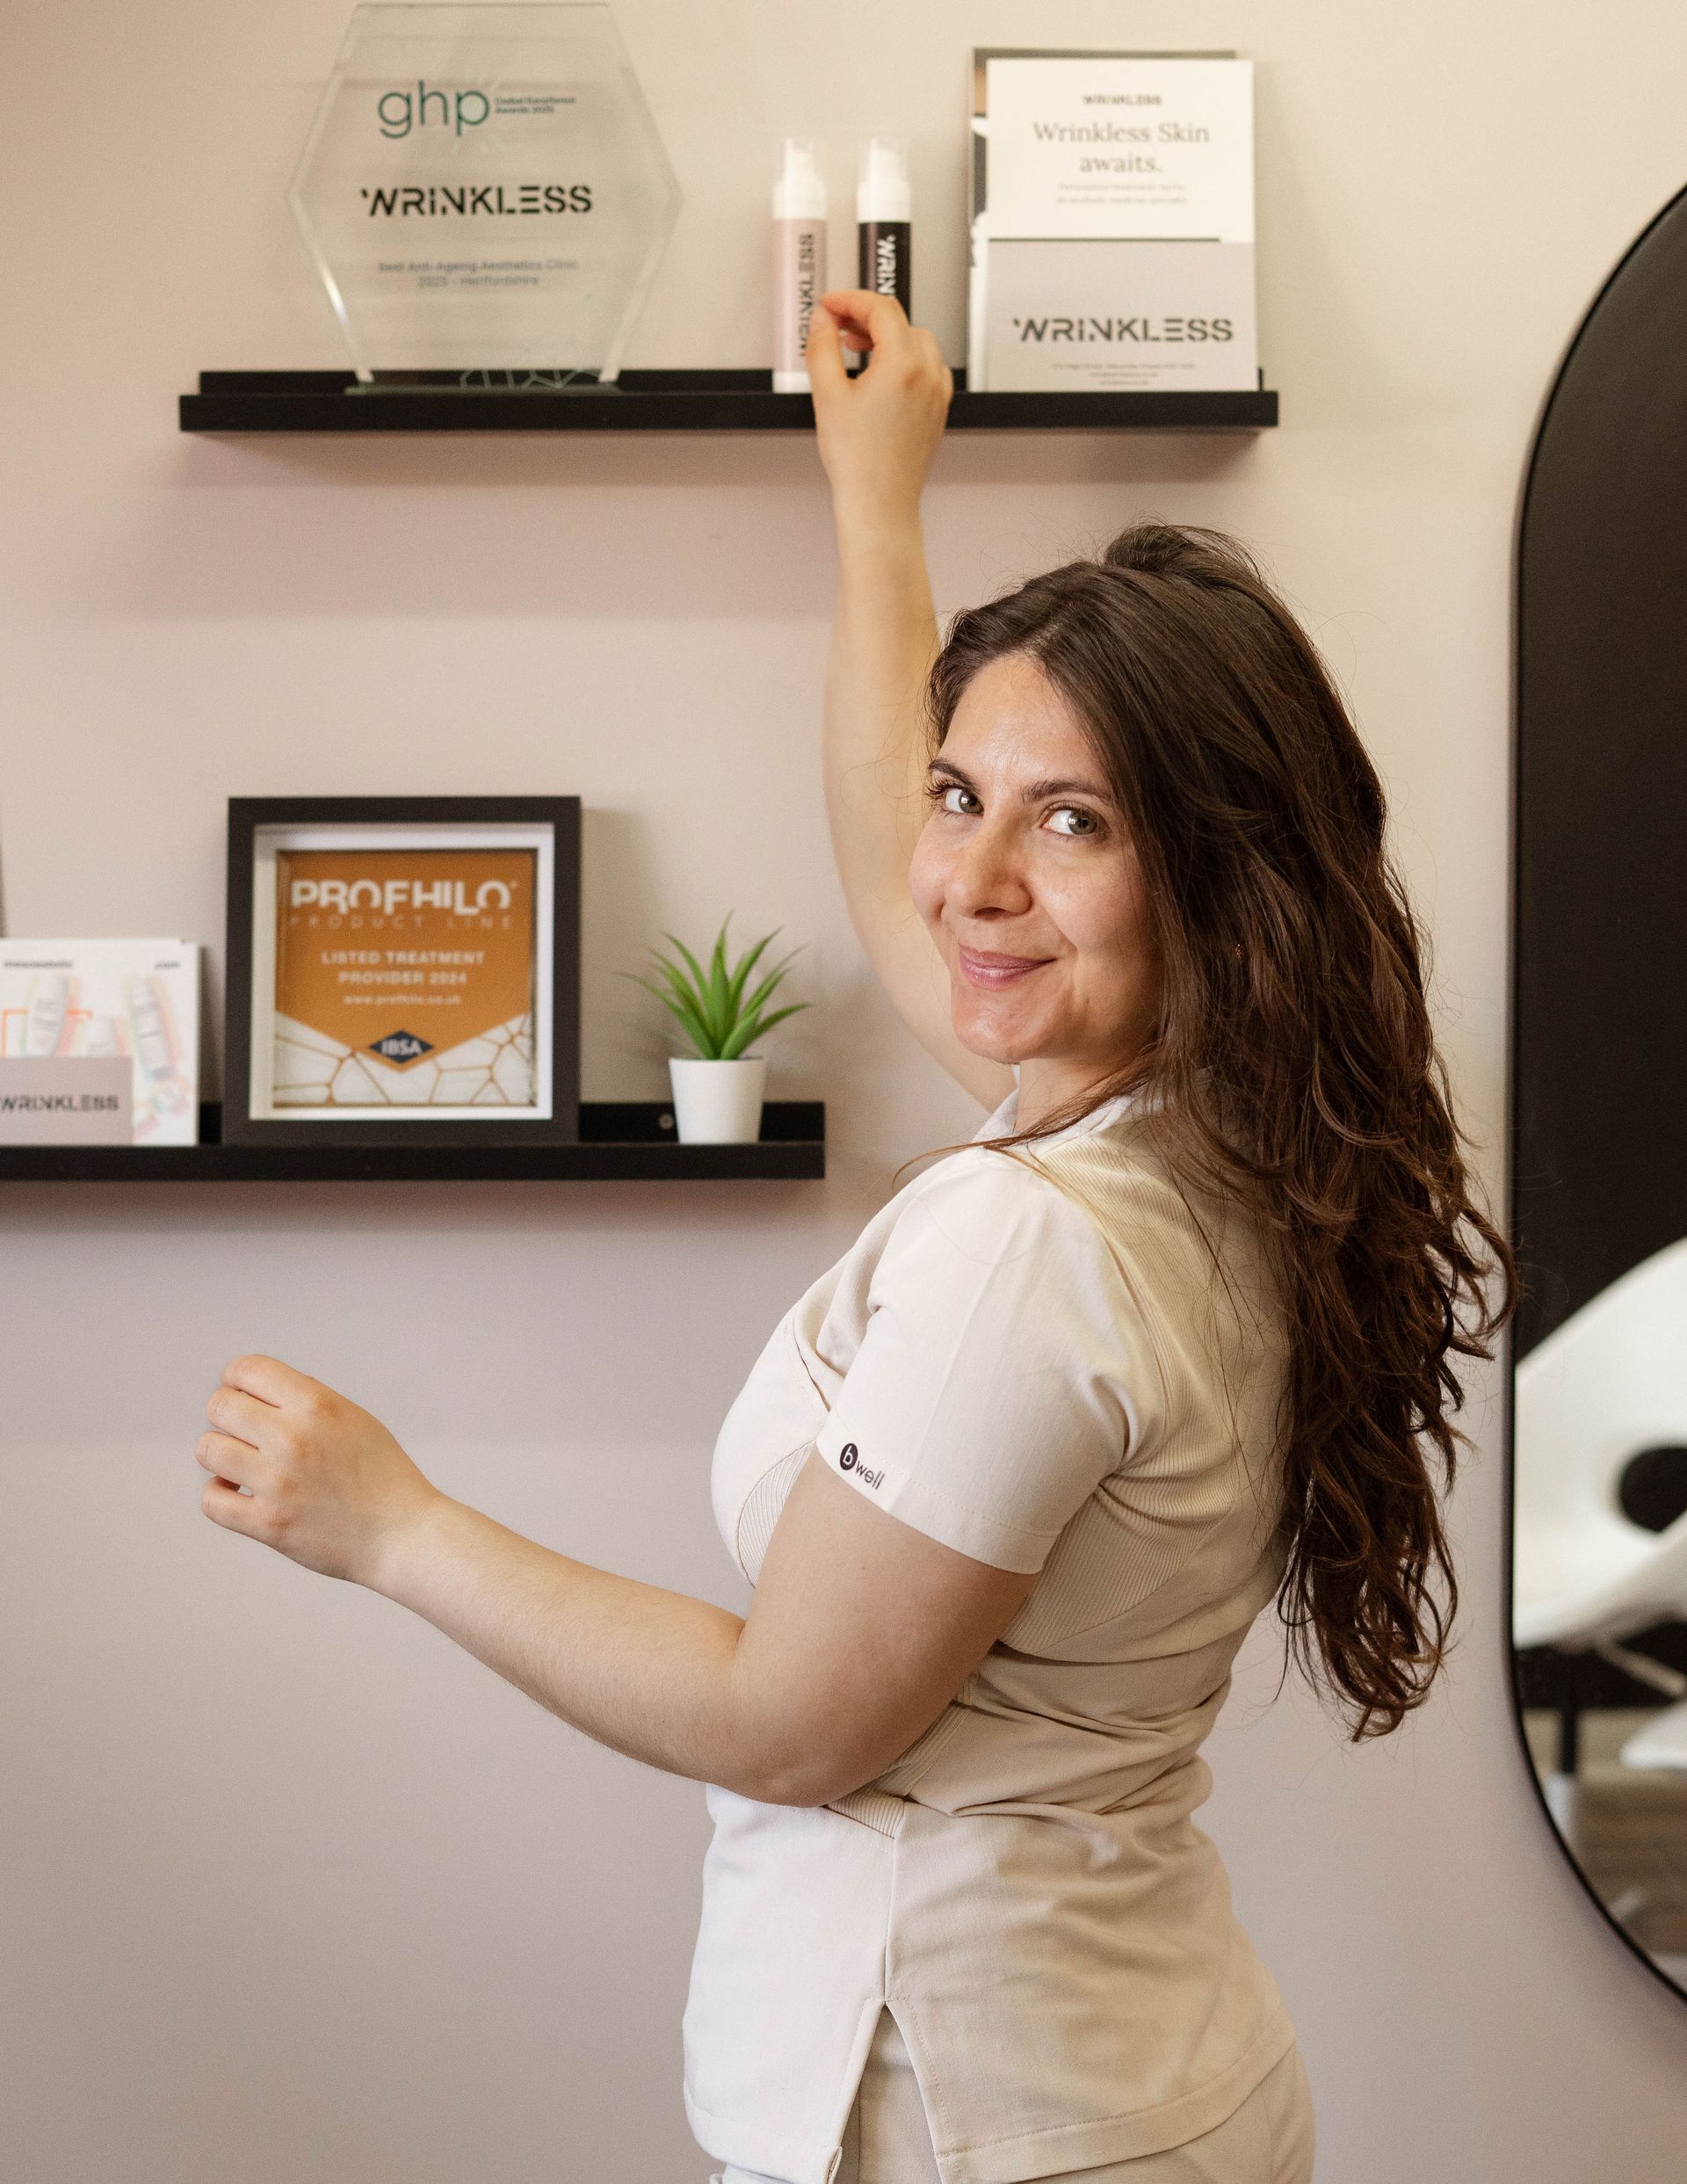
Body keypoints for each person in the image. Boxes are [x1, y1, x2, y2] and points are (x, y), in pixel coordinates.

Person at [194, 291, 1516, 2184]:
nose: (970, 875)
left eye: (1072, 823)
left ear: (1217, 871)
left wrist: (391, 1522)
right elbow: (912, 885)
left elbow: (792, 1719)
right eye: (962, 794)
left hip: (977, 2123)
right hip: (1142, 2072)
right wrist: (877, 491)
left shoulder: (1029, 1247)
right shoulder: (1223, 1124)